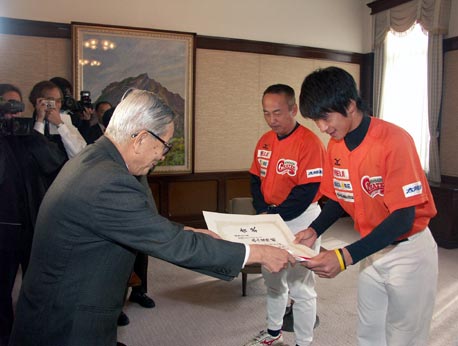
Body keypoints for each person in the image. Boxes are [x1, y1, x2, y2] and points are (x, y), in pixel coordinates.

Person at [8, 89, 295, 346]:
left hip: (62, 305)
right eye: (164, 145)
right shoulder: (109, 182)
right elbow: (172, 245)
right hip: (65, 323)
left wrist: (190, 231)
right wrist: (257, 252)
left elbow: (141, 224)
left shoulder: (98, 160)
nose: (162, 156)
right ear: (141, 138)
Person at [295, 66, 438, 346]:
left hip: (408, 252)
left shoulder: (394, 141)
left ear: (349, 105)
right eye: (315, 120)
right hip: (372, 247)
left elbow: (403, 218)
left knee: (405, 336)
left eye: (325, 117)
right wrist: (314, 229)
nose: (322, 128)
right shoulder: (336, 145)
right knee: (369, 331)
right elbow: (338, 197)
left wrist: (344, 257)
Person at [245, 84, 326, 346]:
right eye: (266, 113)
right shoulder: (265, 140)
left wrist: (275, 214)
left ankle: (304, 341)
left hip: (302, 220)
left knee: (301, 286)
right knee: (273, 280)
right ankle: (273, 333)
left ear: (293, 109)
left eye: (277, 113)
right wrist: (264, 211)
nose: (271, 120)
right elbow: (255, 179)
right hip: (270, 217)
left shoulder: (309, 142)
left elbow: (307, 190)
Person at [0, 84, 67, 346]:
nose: (12, 112)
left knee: (35, 285)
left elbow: (54, 163)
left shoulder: (28, 134)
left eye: (17, 106)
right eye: (6, 105)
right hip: (3, 227)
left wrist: (33, 132)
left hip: (31, 223)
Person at [29, 80, 87, 159]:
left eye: (59, 101)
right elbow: (37, 154)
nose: (56, 105)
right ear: (39, 101)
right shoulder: (29, 124)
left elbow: (80, 153)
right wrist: (40, 120)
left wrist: (60, 124)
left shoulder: (65, 120)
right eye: (51, 100)